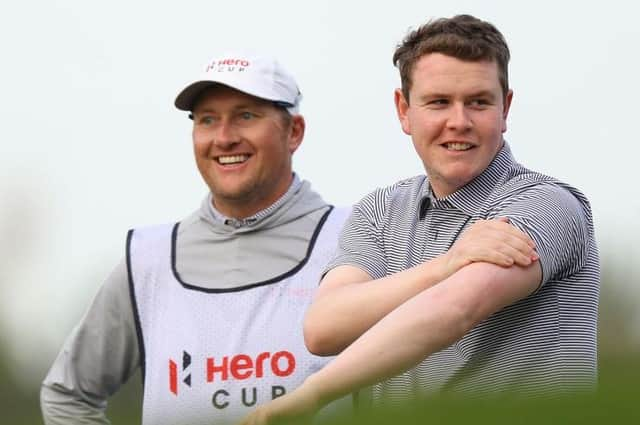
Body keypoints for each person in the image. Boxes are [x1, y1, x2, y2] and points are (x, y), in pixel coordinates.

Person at [239, 14, 600, 425]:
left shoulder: (547, 204)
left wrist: (312, 395)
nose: (459, 121)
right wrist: (445, 265)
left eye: (479, 102)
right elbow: (324, 328)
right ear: (404, 110)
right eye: (439, 102)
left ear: (506, 108)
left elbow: (454, 309)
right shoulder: (380, 210)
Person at [40, 51, 354, 425]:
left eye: (246, 116)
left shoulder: (354, 239)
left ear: (294, 132)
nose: (223, 138)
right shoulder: (148, 260)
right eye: (208, 120)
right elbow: (67, 395)